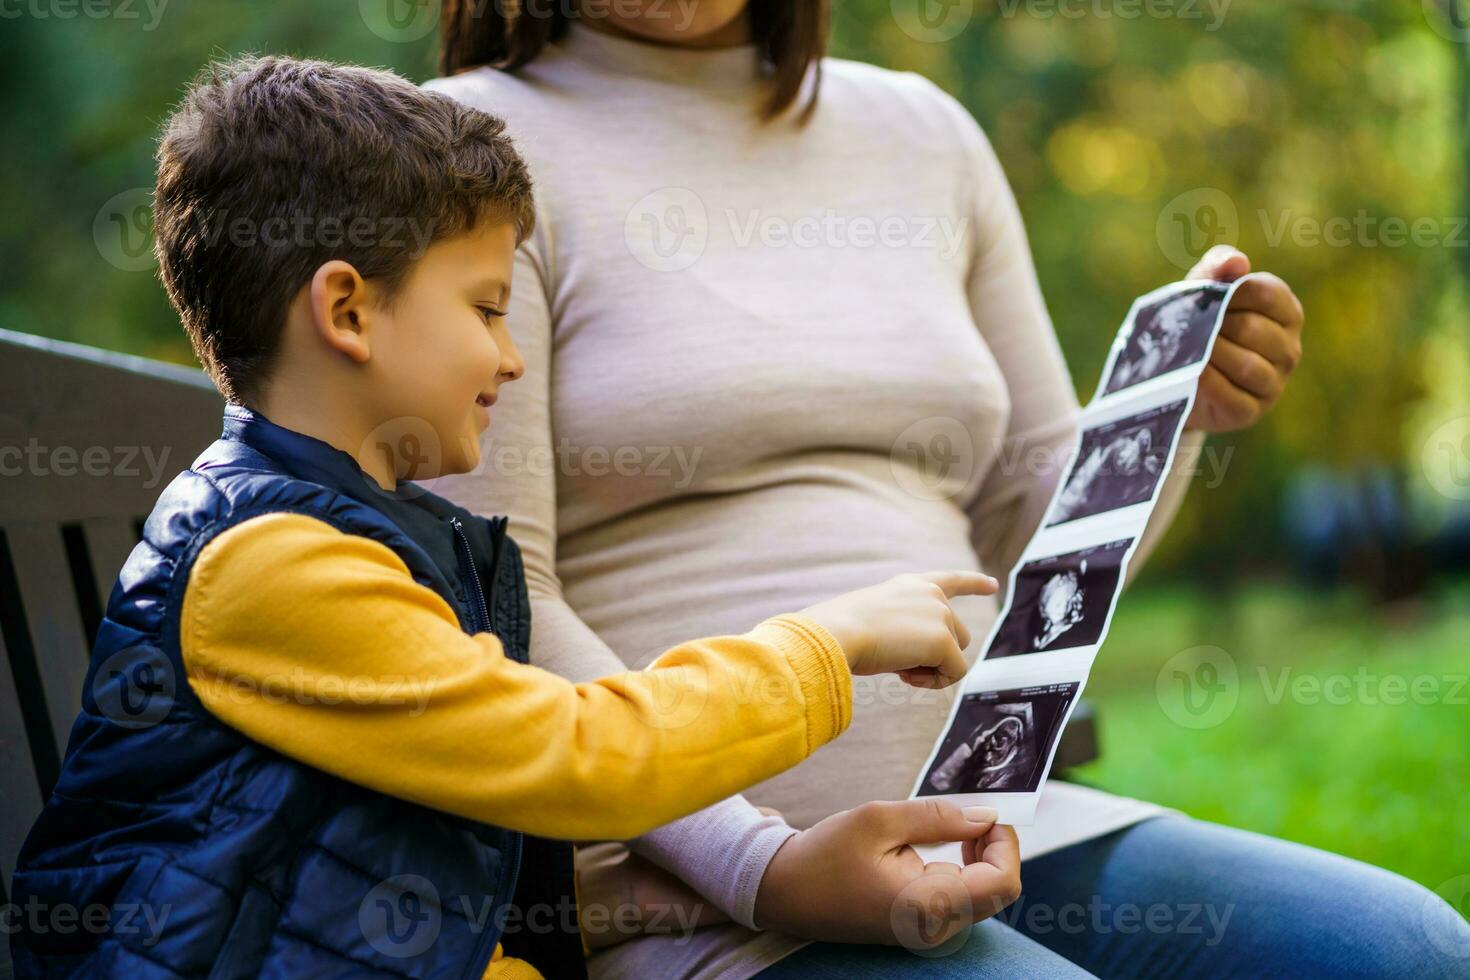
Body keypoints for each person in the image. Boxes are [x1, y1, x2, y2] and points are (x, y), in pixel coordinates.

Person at [427, 2, 1470, 976]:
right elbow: (503, 597)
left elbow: (1038, 539)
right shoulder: (464, 149)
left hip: (999, 822)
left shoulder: (923, 133)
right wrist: (758, 863)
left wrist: (1170, 414)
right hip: (704, 886)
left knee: (1407, 948)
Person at [7, 55, 1021, 979]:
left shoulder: (360, 538)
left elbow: (354, 852)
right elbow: (583, 753)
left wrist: (610, 907)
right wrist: (825, 643)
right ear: (348, 311)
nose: (511, 354)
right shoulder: (272, 564)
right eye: (487, 307)